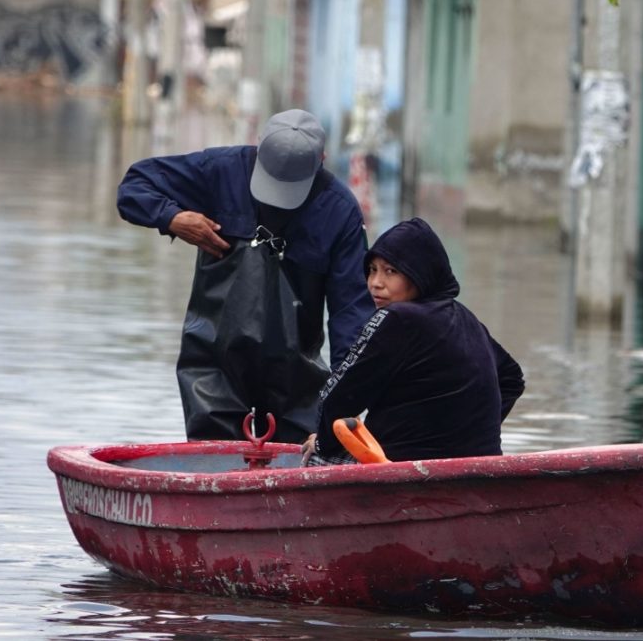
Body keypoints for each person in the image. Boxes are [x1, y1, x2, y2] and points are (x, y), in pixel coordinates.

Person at [117, 109, 374, 444]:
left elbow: (351, 315)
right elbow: (134, 186)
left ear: (322, 160)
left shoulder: (339, 211)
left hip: (296, 377)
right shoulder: (220, 171)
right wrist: (173, 218)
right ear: (258, 146)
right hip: (214, 366)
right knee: (215, 457)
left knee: (304, 456)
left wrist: (345, 401)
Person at [300, 217, 525, 466]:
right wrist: (467, 435)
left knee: (314, 457)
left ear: (421, 274)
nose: (376, 283)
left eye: (391, 271)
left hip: (398, 469)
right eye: (372, 270)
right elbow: (511, 379)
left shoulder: (397, 317)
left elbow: (341, 395)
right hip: (477, 468)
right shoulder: (465, 317)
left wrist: (322, 441)